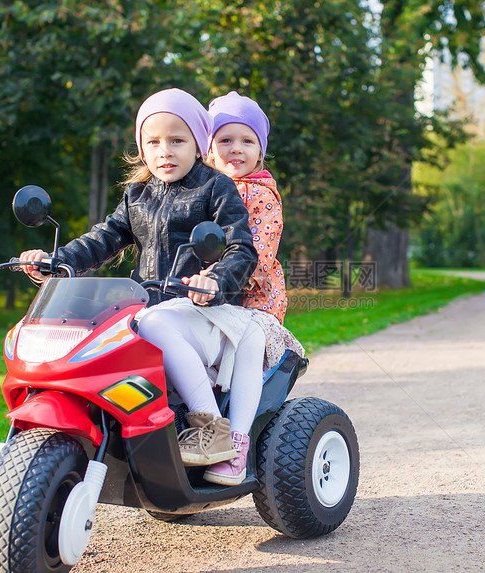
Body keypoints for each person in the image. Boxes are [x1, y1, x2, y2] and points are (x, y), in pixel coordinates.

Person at [18, 88, 258, 467]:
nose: (165, 151)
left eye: (177, 140)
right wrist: (54, 259)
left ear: (199, 145)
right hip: (150, 309)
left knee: (155, 320)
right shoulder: (137, 195)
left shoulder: (216, 187)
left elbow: (241, 248)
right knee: (103, 332)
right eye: (154, 141)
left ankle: (211, 426)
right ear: (141, 148)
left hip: (206, 313)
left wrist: (215, 281)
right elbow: (102, 239)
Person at [198, 91, 305, 485]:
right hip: (205, 294)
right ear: (208, 148)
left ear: (261, 150)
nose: (236, 149)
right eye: (225, 140)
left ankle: (237, 440)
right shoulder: (201, 190)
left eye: (247, 141)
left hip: (252, 299)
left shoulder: (259, 194)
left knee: (246, 345)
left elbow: (257, 253)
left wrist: (217, 275)